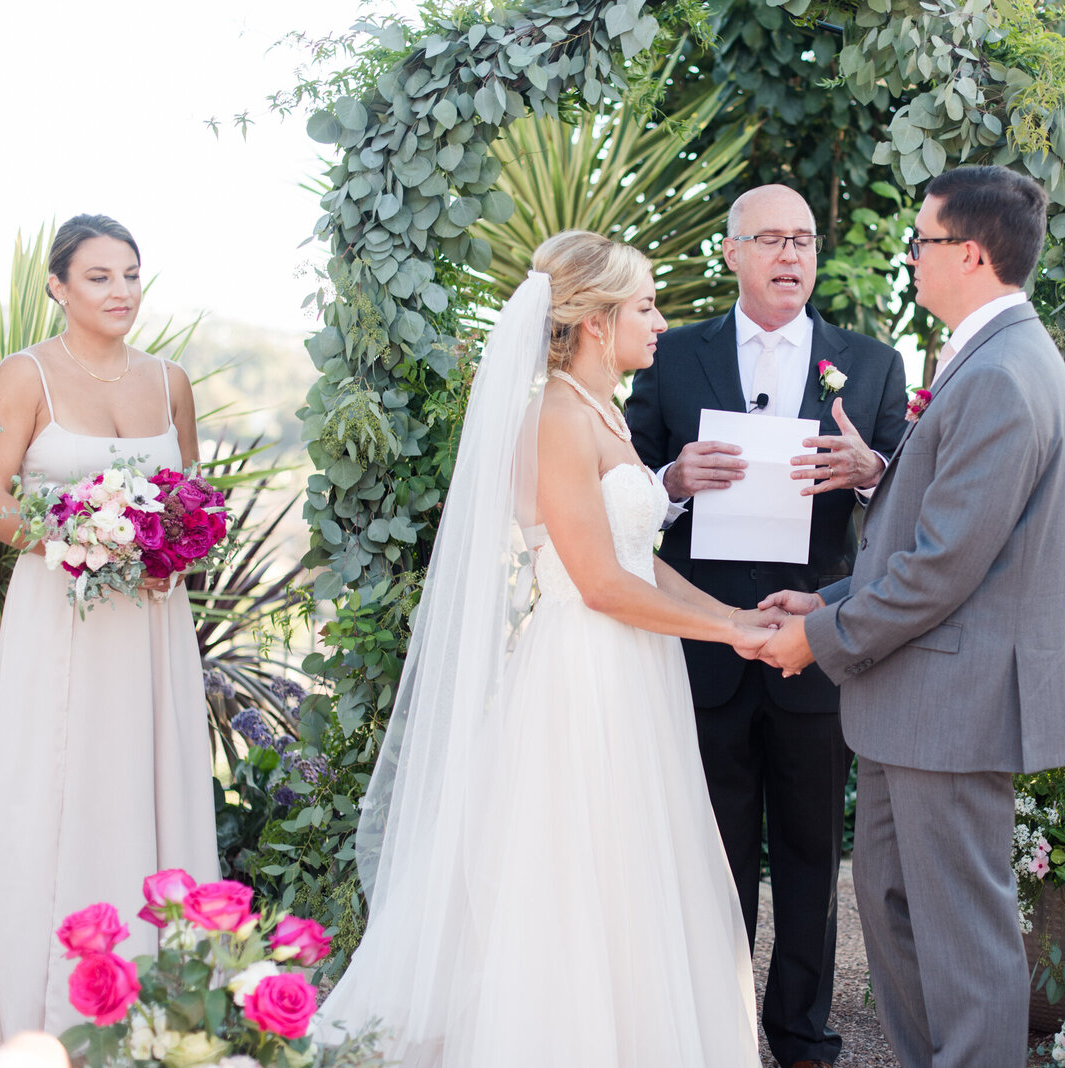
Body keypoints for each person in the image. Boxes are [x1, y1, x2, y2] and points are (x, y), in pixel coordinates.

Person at [316, 231, 778, 1067]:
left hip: (633, 670)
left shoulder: (602, 412)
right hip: (583, 674)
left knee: (632, 878)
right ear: (598, 322)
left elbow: (643, 562)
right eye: (645, 305)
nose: (661, 322)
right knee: (573, 878)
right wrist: (729, 630)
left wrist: (740, 620)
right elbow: (598, 583)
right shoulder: (556, 417)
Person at [759, 165, 1065, 1068]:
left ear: (969, 254)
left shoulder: (1004, 375)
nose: (911, 257)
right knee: (895, 911)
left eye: (921, 241)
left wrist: (817, 638)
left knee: (963, 939)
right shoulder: (979, 360)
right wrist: (825, 598)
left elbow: (942, 568)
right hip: (919, 700)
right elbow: (927, 534)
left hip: (956, 700)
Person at [624, 185, 907, 1068]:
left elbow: (913, 509)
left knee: (814, 852)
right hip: (707, 641)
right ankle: (716, 1028)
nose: (792, 255)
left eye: (805, 240)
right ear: (732, 251)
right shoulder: (675, 357)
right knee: (714, 853)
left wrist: (870, 471)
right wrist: (674, 478)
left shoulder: (869, 361)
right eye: (773, 240)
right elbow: (619, 476)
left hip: (818, 645)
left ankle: (802, 1033)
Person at [0, 215, 219, 1044]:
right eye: (99, 277)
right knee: (59, 789)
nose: (121, 292)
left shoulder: (170, 381)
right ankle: (48, 1016)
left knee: (150, 782)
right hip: (63, 620)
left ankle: (160, 1013)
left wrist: (176, 546)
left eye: (130, 275)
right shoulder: (24, 377)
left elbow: (191, 497)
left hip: (153, 620)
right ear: (58, 287)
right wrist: (82, 539)